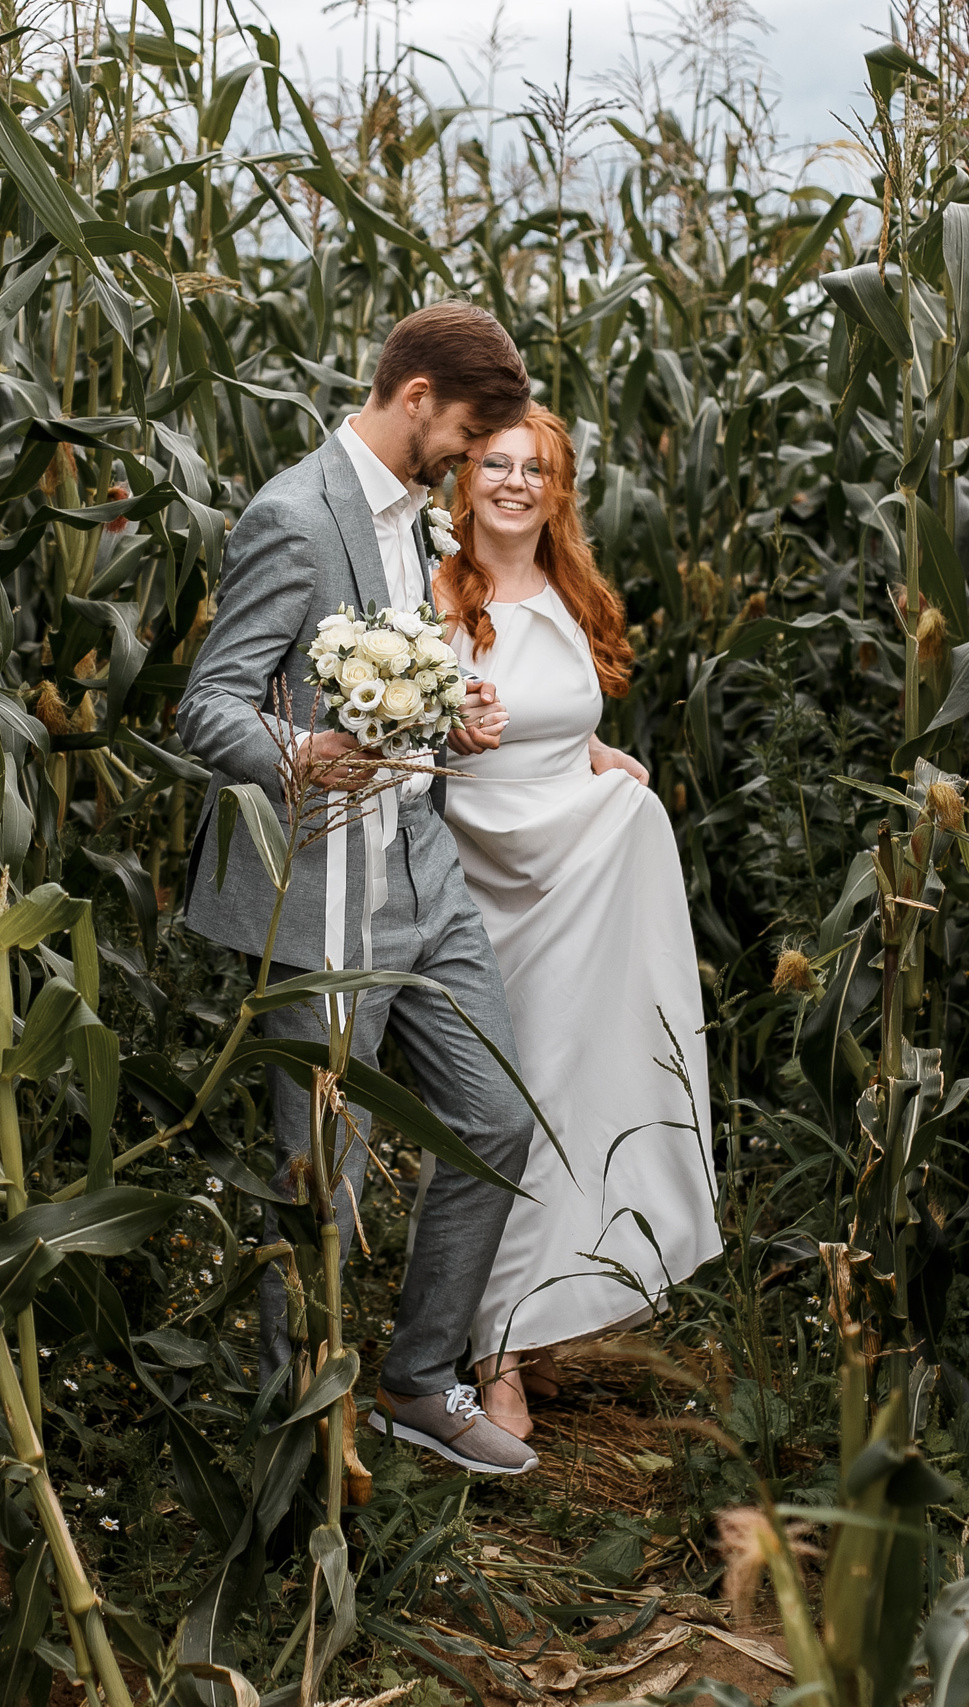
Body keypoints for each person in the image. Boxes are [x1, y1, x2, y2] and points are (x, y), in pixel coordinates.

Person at [175, 302, 542, 1475]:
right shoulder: (295, 516)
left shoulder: (418, 529)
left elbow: (393, 691)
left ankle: (414, 1382)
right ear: (418, 394)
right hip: (322, 888)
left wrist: (453, 720)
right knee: (318, 1181)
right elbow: (211, 702)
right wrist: (297, 754)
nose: (468, 461)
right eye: (466, 434)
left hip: (422, 873)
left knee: (490, 1122)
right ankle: (302, 1438)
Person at [434, 405, 721, 1439]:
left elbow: (558, 717)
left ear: (557, 490)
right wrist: (442, 724)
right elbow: (391, 726)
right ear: (463, 477)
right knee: (510, 1098)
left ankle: (529, 1324)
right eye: (494, 464)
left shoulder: (572, 594)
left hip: (586, 873)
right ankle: (491, 1348)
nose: (513, 483)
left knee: (577, 1088)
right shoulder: (430, 593)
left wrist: (589, 759)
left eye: (535, 469)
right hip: (483, 882)